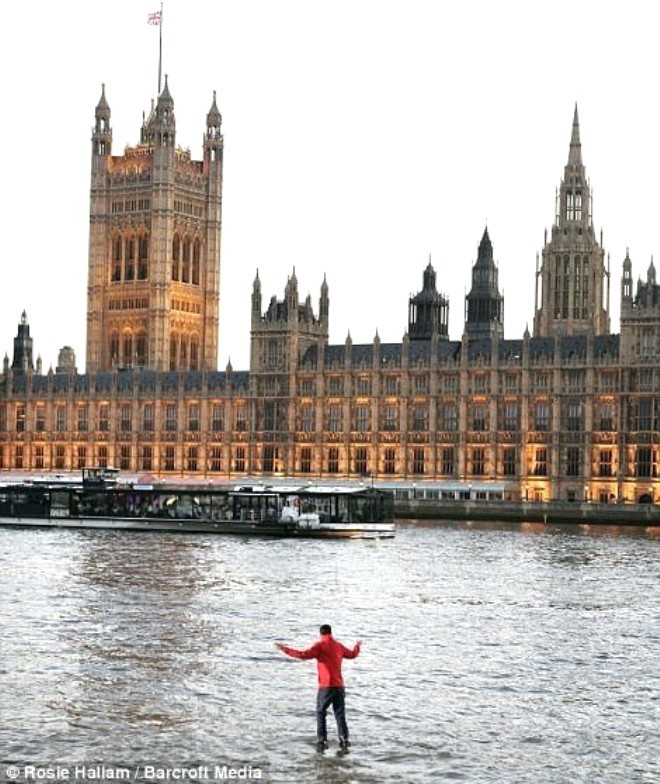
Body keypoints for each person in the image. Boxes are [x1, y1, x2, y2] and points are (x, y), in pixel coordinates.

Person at [275, 624, 361, 752]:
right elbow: (352, 655)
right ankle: (344, 740)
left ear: (321, 634)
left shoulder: (320, 646)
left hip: (326, 686)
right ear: (331, 632)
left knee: (321, 712)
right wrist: (357, 646)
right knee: (340, 714)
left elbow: (302, 655)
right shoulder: (338, 645)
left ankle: (322, 740)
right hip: (339, 686)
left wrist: (285, 649)